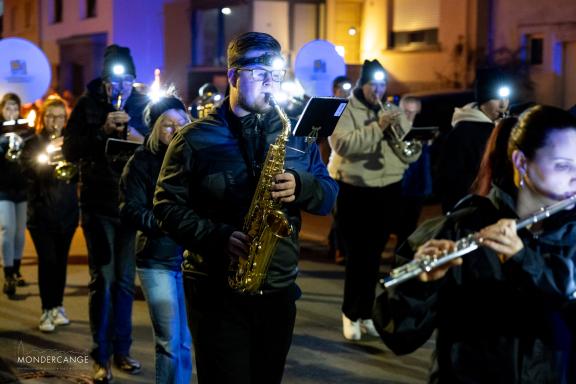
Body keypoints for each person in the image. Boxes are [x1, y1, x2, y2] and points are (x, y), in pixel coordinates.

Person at [153, 31, 338, 384]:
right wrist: (218, 236)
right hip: (215, 290)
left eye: (276, 72)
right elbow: (166, 206)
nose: (271, 82)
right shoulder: (193, 138)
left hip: (278, 288)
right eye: (260, 71)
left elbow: (328, 195)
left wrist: (302, 186)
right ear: (234, 75)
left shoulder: (295, 135)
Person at [373, 105, 576, 383]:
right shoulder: (461, 226)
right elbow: (398, 336)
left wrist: (524, 258)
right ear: (521, 162)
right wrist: (421, 284)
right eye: (563, 165)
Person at [63, 44, 144, 383]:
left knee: (126, 282)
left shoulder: (142, 105)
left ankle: (122, 350)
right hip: (98, 204)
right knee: (104, 280)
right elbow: (69, 149)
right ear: (104, 81)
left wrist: (137, 135)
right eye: (114, 81)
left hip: (130, 204)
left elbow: (162, 146)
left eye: (126, 81)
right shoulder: (87, 104)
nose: (120, 88)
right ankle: (101, 356)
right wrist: (102, 132)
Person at [327, 59, 419, 341]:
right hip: (353, 188)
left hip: (387, 188)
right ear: (362, 85)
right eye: (372, 84)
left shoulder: (389, 109)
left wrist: (409, 134)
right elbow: (342, 145)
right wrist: (378, 127)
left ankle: (366, 313)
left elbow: (404, 147)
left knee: (374, 255)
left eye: (382, 84)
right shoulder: (344, 109)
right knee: (357, 255)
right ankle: (349, 313)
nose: (377, 90)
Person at [119, 95, 192, 384]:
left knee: (185, 341)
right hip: (156, 259)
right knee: (169, 342)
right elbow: (130, 209)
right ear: (155, 129)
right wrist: (167, 225)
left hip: (188, 259)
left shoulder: (194, 158)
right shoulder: (142, 161)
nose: (175, 131)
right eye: (168, 125)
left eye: (181, 124)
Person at [22, 96, 79, 332]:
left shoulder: (70, 143)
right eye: (50, 116)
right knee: (48, 261)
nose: (54, 121)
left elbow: (76, 173)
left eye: (59, 116)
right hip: (41, 213)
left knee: (61, 262)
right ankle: (46, 310)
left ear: (65, 119)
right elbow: (28, 170)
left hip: (66, 211)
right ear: (43, 118)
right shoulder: (33, 142)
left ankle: (58, 306)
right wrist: (45, 159)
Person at [437, 66, 511, 213]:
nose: (503, 104)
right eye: (496, 98)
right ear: (482, 100)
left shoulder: (503, 126)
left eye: (506, 98)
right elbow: (449, 180)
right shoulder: (464, 132)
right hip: (470, 211)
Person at [0, 92, 32, 298]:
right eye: (7, 108)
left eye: (15, 107)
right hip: (2, 186)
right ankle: (8, 274)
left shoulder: (26, 129)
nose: (12, 112)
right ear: (2, 109)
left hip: (21, 186)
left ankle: (17, 268)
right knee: (6, 230)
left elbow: (33, 155)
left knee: (20, 233)